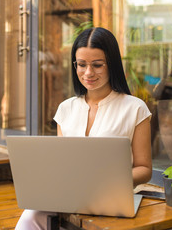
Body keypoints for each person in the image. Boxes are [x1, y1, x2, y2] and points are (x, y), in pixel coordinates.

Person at [15, 27, 152, 230]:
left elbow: (145, 169)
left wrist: (108, 183)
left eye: (97, 65)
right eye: (81, 65)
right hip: (67, 196)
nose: (88, 73)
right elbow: (63, 164)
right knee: (29, 218)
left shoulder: (135, 108)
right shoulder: (66, 109)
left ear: (112, 65)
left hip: (111, 198)